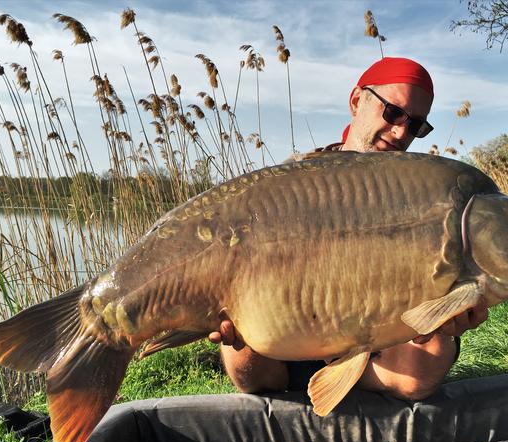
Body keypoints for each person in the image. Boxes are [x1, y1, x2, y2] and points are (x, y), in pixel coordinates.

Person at [209, 57, 488, 401]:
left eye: (416, 125)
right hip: (293, 332)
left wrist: (445, 313)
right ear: (357, 102)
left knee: (426, 364)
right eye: (393, 113)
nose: (401, 132)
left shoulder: (420, 195)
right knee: (244, 361)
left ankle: (349, 377)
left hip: (382, 341)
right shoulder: (295, 178)